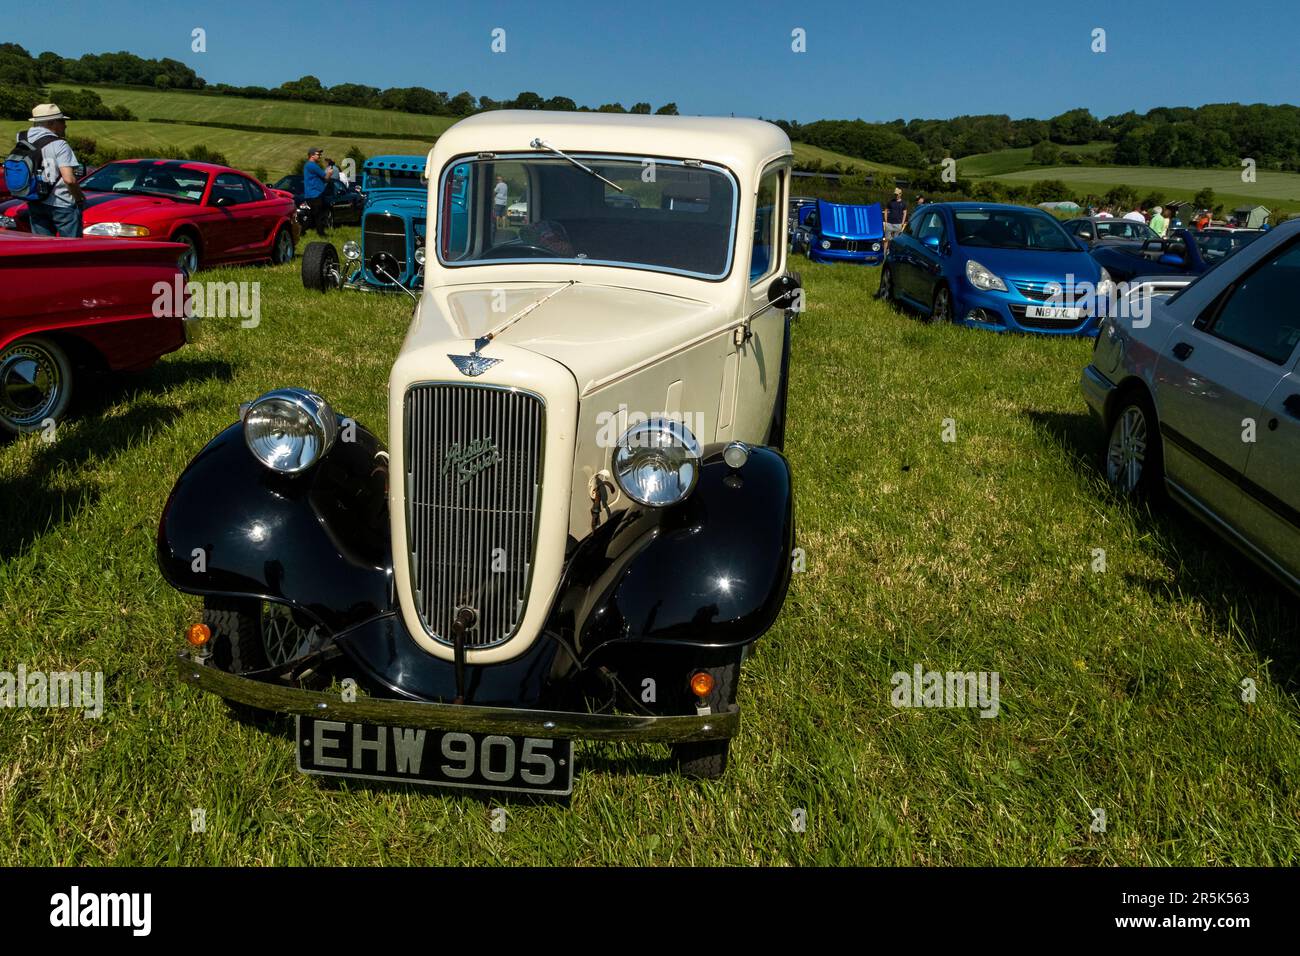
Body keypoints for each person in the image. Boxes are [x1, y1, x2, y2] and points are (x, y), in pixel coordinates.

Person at [16, 103, 86, 237]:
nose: (65, 125)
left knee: (43, 247)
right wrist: (79, 199)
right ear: (52, 123)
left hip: (35, 199)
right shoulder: (60, 144)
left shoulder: (22, 138)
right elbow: (69, 179)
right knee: (72, 249)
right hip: (61, 203)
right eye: (62, 121)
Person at [302, 146, 334, 237]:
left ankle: (301, 231)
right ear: (312, 155)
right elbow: (326, 178)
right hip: (315, 194)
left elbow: (323, 179)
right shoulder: (312, 165)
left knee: (313, 215)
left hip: (313, 194)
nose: (320, 156)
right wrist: (330, 172)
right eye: (318, 154)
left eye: (320, 154)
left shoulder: (309, 165)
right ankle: (321, 234)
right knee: (318, 215)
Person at [883, 186, 908, 257]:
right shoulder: (891, 202)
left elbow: (905, 212)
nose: (896, 195)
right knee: (886, 240)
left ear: (900, 194)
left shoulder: (903, 203)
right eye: (895, 194)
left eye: (897, 194)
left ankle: (892, 255)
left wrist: (903, 223)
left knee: (895, 241)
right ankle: (884, 255)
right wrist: (886, 220)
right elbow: (886, 210)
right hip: (889, 223)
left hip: (898, 224)